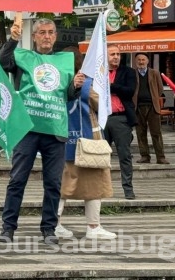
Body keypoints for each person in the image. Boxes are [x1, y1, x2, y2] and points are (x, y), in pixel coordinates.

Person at [0, 18, 84, 246]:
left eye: (51, 32)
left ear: (55, 36)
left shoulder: (65, 61)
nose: (46, 36)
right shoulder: (23, 57)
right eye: (42, 32)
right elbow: (2, 62)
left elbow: (68, 95)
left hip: (55, 130)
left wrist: (75, 86)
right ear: (34, 36)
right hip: (27, 128)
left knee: (53, 183)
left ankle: (49, 229)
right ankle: (8, 227)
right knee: (17, 180)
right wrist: (13, 39)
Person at [55, 48, 116, 241]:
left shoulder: (56, 82)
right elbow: (104, 107)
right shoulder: (88, 83)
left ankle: (53, 224)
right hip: (90, 138)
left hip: (63, 136)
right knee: (95, 181)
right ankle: (93, 226)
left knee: (60, 183)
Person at [102, 44, 138, 199]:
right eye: (112, 54)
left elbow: (129, 91)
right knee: (101, 156)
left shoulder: (128, 72)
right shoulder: (99, 72)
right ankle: (100, 189)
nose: (116, 57)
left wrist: (110, 86)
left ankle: (128, 189)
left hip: (121, 118)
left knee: (124, 155)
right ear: (106, 56)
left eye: (118, 54)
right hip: (102, 119)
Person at [133, 52, 169, 164]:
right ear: (135, 61)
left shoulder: (154, 73)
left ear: (147, 61)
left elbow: (160, 89)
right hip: (137, 107)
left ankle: (160, 157)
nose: (141, 62)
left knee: (156, 132)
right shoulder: (132, 74)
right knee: (140, 133)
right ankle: (144, 156)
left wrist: (152, 97)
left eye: (143, 60)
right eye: (139, 60)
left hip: (153, 106)